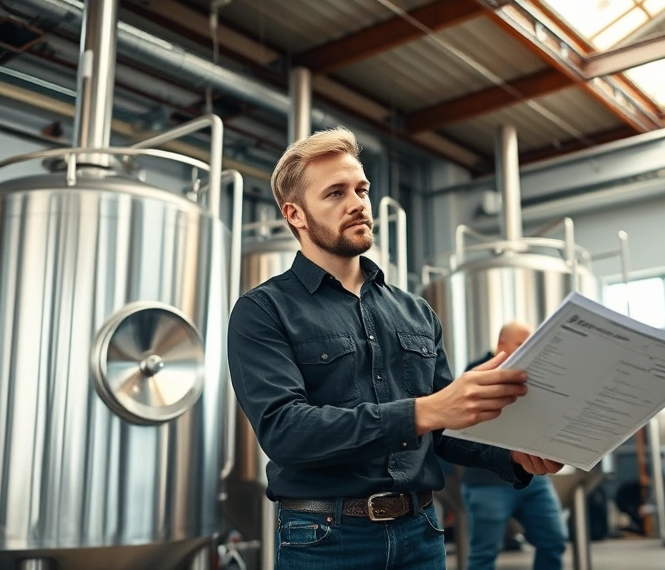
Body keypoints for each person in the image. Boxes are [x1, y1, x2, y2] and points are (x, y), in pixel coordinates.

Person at [226, 127, 563, 570]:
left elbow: (445, 428)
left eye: (361, 189)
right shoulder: (263, 311)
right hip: (326, 540)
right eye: (335, 193)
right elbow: (286, 432)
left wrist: (511, 456)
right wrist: (424, 411)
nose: (357, 203)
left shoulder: (414, 311)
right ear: (296, 214)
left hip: (420, 532)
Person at [461, 322, 568, 570]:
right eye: (520, 345)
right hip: (487, 483)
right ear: (501, 345)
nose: (527, 350)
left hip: (534, 478)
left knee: (554, 540)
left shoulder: (535, 377)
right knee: (484, 553)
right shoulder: (475, 373)